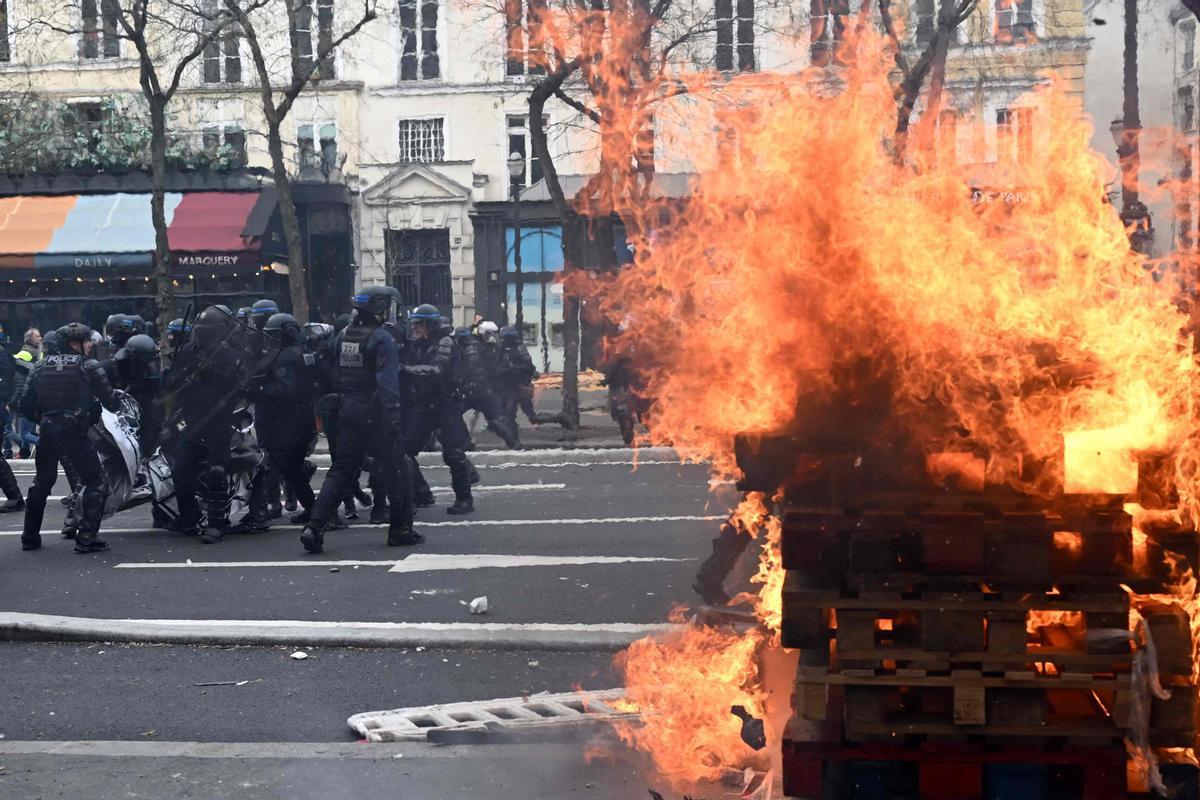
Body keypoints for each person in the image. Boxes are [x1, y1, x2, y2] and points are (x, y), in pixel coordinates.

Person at [299, 286, 419, 554]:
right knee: (397, 469)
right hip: (375, 414)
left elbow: (321, 362)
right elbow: (388, 384)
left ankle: (314, 527)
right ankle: (401, 530)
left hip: (348, 410)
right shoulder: (381, 339)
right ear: (377, 309)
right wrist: (394, 417)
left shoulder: (344, 337)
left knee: (341, 470)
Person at [19, 322, 118, 553]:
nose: (91, 344)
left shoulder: (40, 366)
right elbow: (111, 402)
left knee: (42, 483)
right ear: (75, 343)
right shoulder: (89, 366)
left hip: (48, 432)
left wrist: (45, 419)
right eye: (87, 340)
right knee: (96, 481)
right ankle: (86, 538)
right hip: (76, 434)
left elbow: (24, 404)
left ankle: (29, 537)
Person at [161, 306, 244, 544]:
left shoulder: (231, 354)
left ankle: (217, 523)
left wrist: (211, 373)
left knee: (217, 471)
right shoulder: (187, 351)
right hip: (192, 420)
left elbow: (240, 384)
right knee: (180, 469)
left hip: (219, 419)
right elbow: (173, 384)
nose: (203, 335)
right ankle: (190, 515)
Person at [403, 304, 473, 515]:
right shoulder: (419, 345)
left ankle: (464, 498)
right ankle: (421, 492)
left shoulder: (445, 343)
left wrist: (405, 371)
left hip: (445, 404)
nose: (414, 327)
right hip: (424, 405)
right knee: (404, 452)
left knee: (454, 453)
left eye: (418, 323)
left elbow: (437, 370)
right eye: (413, 323)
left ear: (429, 324)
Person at [250, 313, 319, 526]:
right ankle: (314, 508)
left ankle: (260, 510)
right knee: (292, 468)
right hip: (303, 416)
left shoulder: (286, 357)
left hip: (287, 419)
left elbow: (286, 388)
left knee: (270, 461)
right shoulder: (304, 352)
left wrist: (260, 389)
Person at [453, 326, 519, 448]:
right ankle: (513, 442)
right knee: (495, 419)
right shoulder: (479, 346)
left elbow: (472, 372)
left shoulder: (468, 350)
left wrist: (463, 386)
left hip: (473, 390)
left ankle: (466, 442)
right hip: (485, 390)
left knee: (454, 414)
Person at [101, 334, 162, 459]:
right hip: (111, 427)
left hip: (138, 425)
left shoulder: (152, 377)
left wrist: (146, 446)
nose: (147, 367)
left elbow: (154, 411)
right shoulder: (108, 370)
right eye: (143, 363)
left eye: (150, 363)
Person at [493, 325, 555, 432]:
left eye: (503, 337)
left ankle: (559, 418)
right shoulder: (502, 349)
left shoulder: (520, 350)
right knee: (508, 412)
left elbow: (528, 367)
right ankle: (511, 434)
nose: (502, 340)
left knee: (529, 416)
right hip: (509, 386)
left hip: (520, 386)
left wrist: (513, 369)